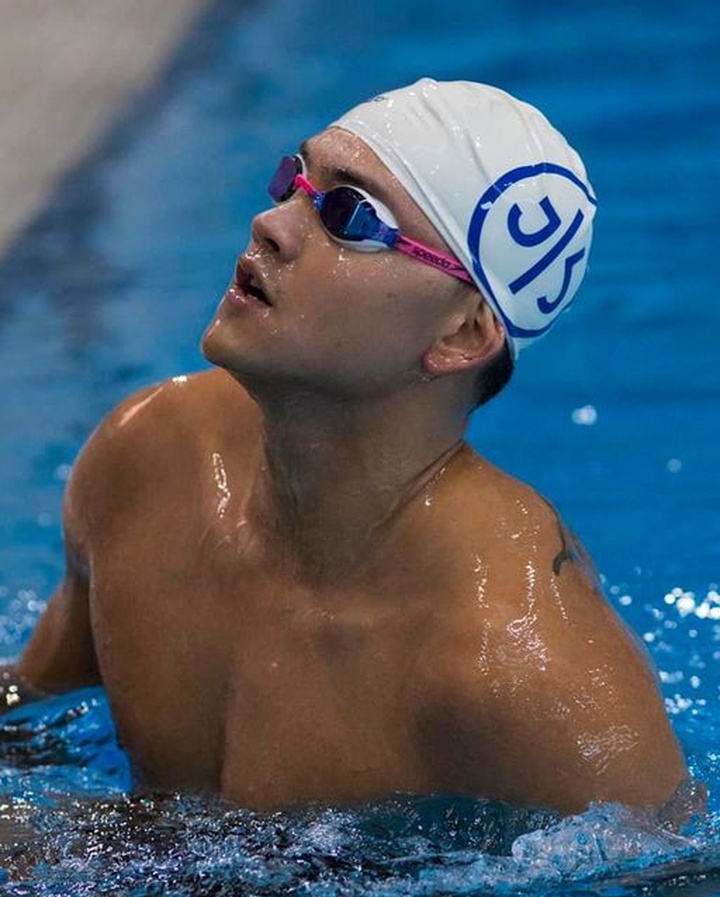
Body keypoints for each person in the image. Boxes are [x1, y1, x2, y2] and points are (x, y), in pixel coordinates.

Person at [2, 78, 690, 816]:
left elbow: (671, 873)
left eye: (349, 216)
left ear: (461, 335)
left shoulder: (525, 676)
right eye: (293, 181)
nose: (271, 223)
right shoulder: (148, 461)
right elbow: (34, 720)